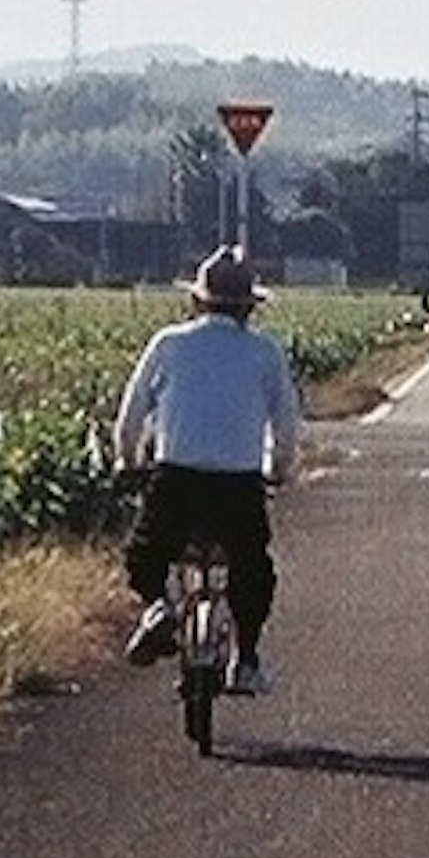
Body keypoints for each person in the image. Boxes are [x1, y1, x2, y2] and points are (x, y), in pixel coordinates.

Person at [113, 245, 307, 691]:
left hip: (175, 477)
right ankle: (247, 659)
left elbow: (132, 414)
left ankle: (158, 606)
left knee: (146, 553)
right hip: (238, 484)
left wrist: (128, 461)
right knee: (252, 568)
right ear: (249, 308)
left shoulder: (168, 343)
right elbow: (286, 425)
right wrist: (279, 469)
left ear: (197, 301)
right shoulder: (265, 352)